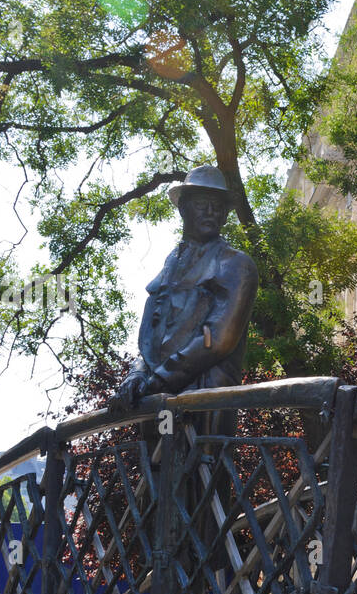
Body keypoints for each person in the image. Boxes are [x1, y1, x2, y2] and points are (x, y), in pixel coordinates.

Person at [109, 165, 258, 413]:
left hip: (204, 407)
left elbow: (217, 340)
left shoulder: (236, 265)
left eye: (218, 206)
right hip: (156, 408)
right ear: (183, 208)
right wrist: (135, 376)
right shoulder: (167, 270)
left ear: (224, 215)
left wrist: (156, 382)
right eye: (202, 203)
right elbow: (150, 344)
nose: (211, 212)